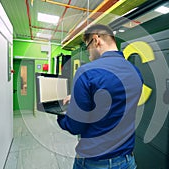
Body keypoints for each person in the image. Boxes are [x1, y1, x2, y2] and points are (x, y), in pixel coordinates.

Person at [57, 24, 143, 169]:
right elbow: (116, 103)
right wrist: (81, 98)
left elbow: (75, 126)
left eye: (87, 46)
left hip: (93, 163)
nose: (88, 52)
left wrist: (61, 113)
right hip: (127, 161)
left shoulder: (86, 72)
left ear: (96, 40)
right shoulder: (135, 72)